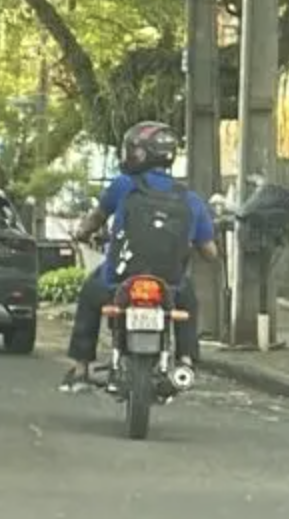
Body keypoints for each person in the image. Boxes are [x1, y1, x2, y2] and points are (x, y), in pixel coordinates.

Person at [62, 120, 217, 393]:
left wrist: (81, 234)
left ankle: (81, 368)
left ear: (140, 153)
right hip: (170, 284)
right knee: (188, 302)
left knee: (89, 294)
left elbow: (95, 219)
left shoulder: (123, 185)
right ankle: (186, 360)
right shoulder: (190, 199)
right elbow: (210, 252)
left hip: (119, 280)